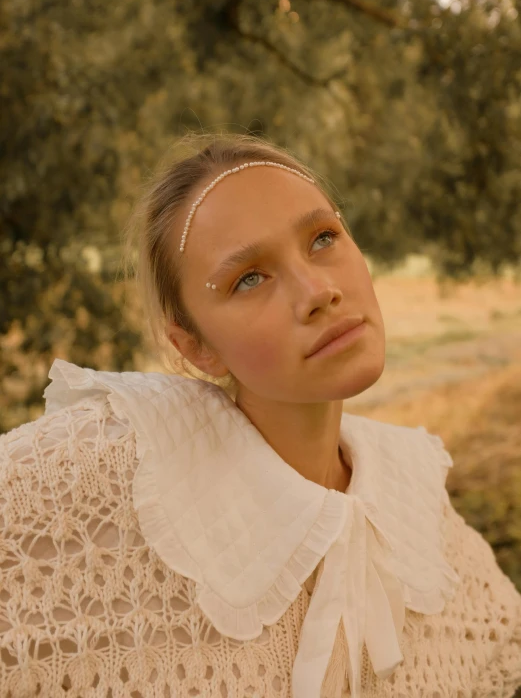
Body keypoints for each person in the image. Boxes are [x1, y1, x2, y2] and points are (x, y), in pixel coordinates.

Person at [1, 133, 520, 698]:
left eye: (324, 238)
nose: (319, 291)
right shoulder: (103, 468)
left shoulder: (414, 497)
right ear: (196, 346)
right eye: (249, 278)